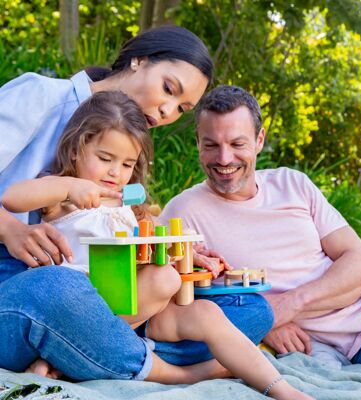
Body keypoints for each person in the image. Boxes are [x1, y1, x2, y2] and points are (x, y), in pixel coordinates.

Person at [0, 26, 268, 386]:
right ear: (139, 60)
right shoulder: (43, 95)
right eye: (169, 89)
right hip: (23, 285)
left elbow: (116, 233)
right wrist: (11, 228)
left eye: (182, 108)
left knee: (251, 309)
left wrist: (171, 253)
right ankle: (169, 370)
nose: (168, 110)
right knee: (55, 289)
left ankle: (77, 351)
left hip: (89, 293)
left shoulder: (125, 154)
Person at [2, 91, 313, 399]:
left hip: (138, 313)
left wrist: (189, 255)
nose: (115, 172)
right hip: (79, 308)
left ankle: (282, 389)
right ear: (76, 151)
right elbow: (11, 198)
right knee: (98, 293)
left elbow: (154, 246)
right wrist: (69, 187)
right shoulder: (62, 200)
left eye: (126, 164)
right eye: (105, 158)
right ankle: (160, 367)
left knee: (203, 304)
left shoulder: (126, 206)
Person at [160, 84, 361, 373]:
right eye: (211, 145)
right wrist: (259, 323)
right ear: (198, 142)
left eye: (237, 144)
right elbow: (172, 303)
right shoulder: (182, 214)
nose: (224, 159)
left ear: (259, 139)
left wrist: (282, 309)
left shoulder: (292, 183)